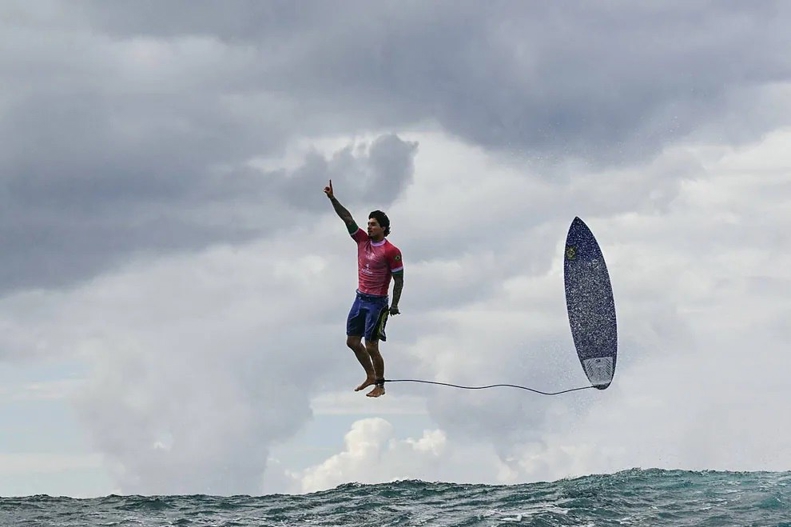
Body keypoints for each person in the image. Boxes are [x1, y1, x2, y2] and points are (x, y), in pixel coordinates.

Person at [324, 179, 404, 398]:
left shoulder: (391, 251)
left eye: (374, 224)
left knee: (371, 346)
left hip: (377, 303)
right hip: (360, 298)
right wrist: (332, 198)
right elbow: (347, 217)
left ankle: (380, 384)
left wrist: (394, 305)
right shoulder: (361, 240)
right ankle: (370, 375)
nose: (369, 227)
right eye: (368, 223)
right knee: (352, 341)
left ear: (384, 228)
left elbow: (399, 279)